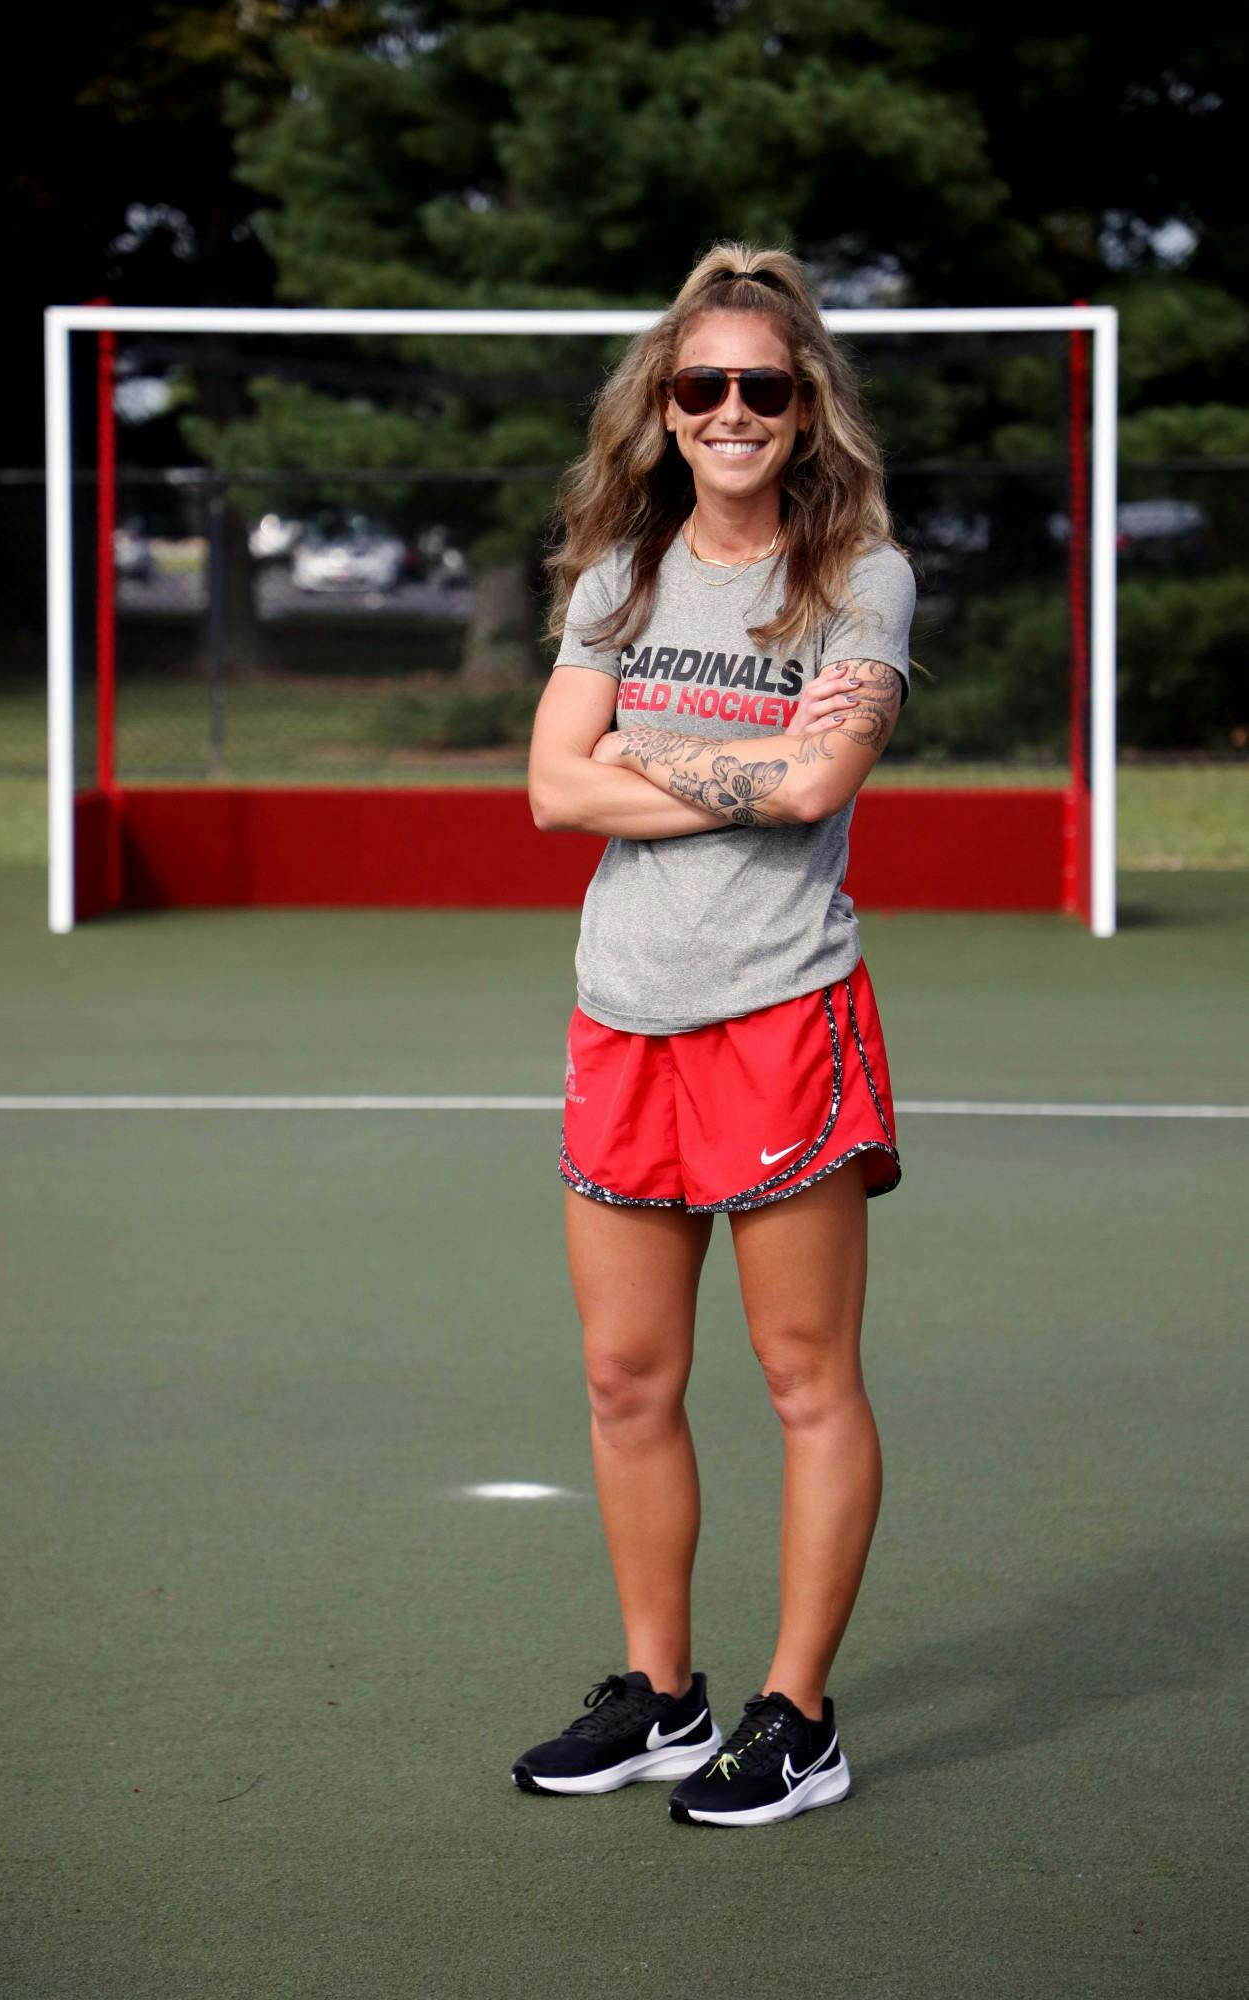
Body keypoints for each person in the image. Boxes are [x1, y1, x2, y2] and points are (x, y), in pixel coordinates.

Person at [513, 241, 919, 1829]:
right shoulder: (616, 578)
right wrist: (732, 750)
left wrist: (645, 747)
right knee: (625, 1379)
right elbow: (550, 791)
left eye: (763, 384)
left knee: (801, 1377)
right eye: (704, 387)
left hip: (781, 1009)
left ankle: (794, 1715)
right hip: (623, 1014)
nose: (732, 409)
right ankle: (661, 1698)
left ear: (805, 403)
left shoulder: (857, 577)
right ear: (664, 411)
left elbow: (820, 787)